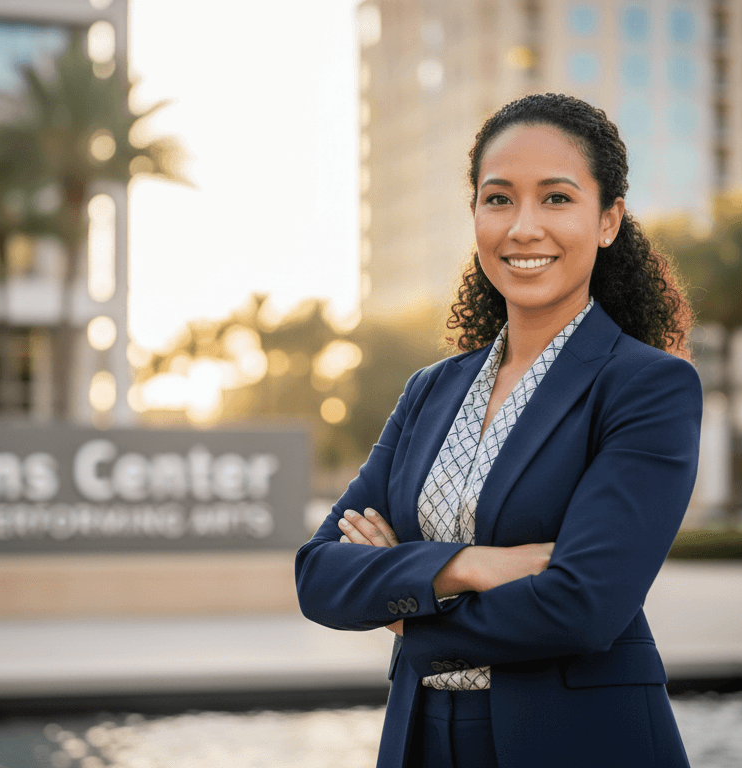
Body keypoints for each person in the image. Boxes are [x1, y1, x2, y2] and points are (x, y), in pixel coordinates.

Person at [294, 92, 702, 768]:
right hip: (421, 739)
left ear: (608, 221)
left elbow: (584, 606)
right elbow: (319, 574)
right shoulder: (430, 391)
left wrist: (406, 606)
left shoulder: (647, 385)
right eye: (499, 198)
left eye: (557, 199)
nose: (523, 227)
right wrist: (474, 567)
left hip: (578, 744)